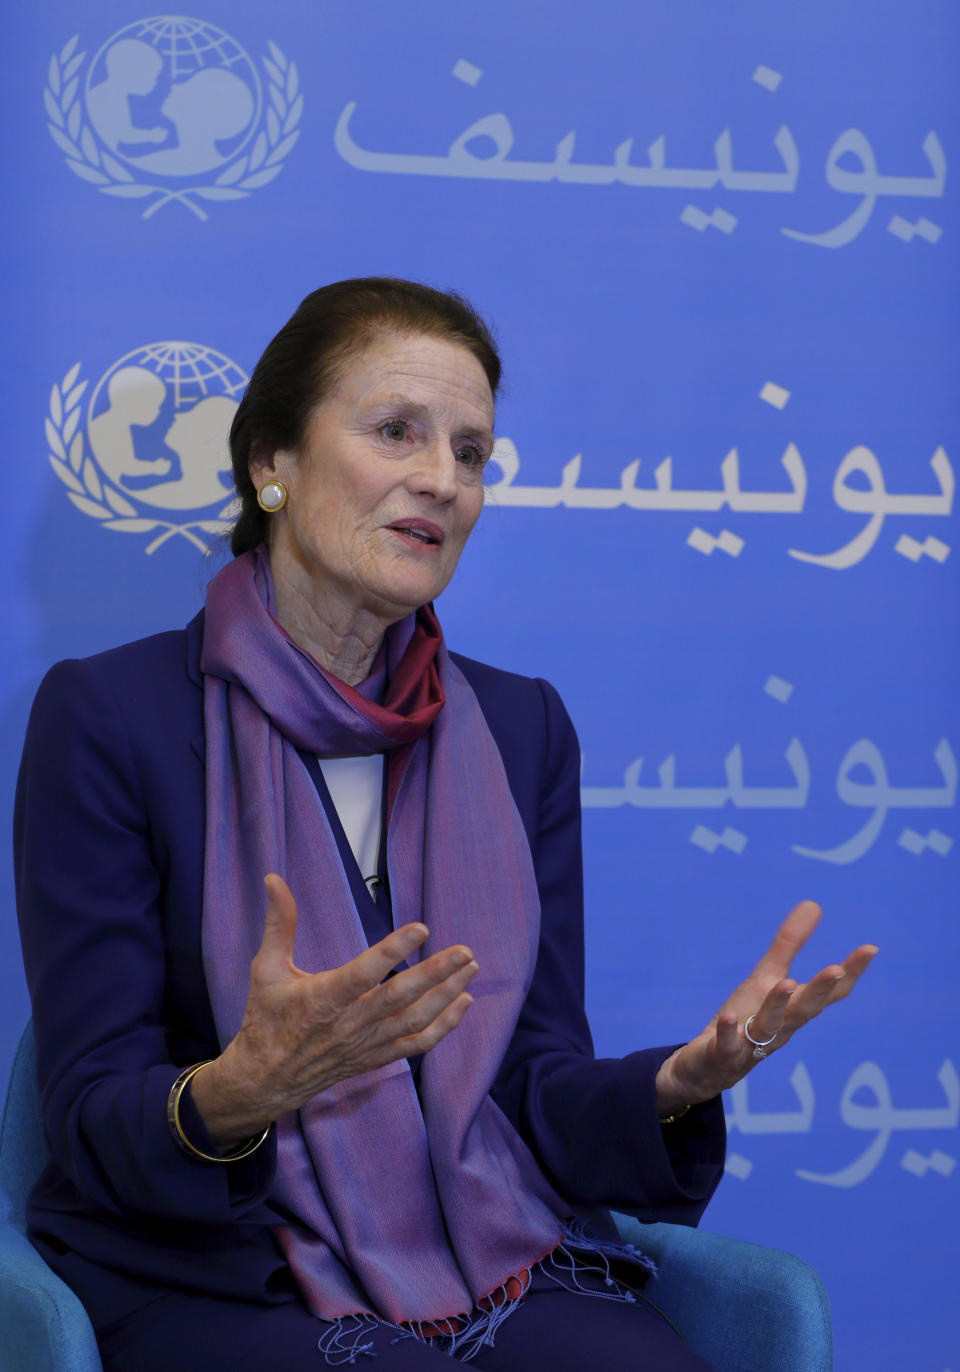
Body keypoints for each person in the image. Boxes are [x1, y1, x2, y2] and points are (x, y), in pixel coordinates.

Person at [15, 278, 876, 1371]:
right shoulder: (112, 717)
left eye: (472, 453)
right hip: (219, 1263)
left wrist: (667, 1089)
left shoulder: (521, 728)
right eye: (396, 432)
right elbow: (90, 1109)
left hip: (482, 1247)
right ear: (270, 460)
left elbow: (528, 1085)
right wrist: (243, 1087)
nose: (442, 479)